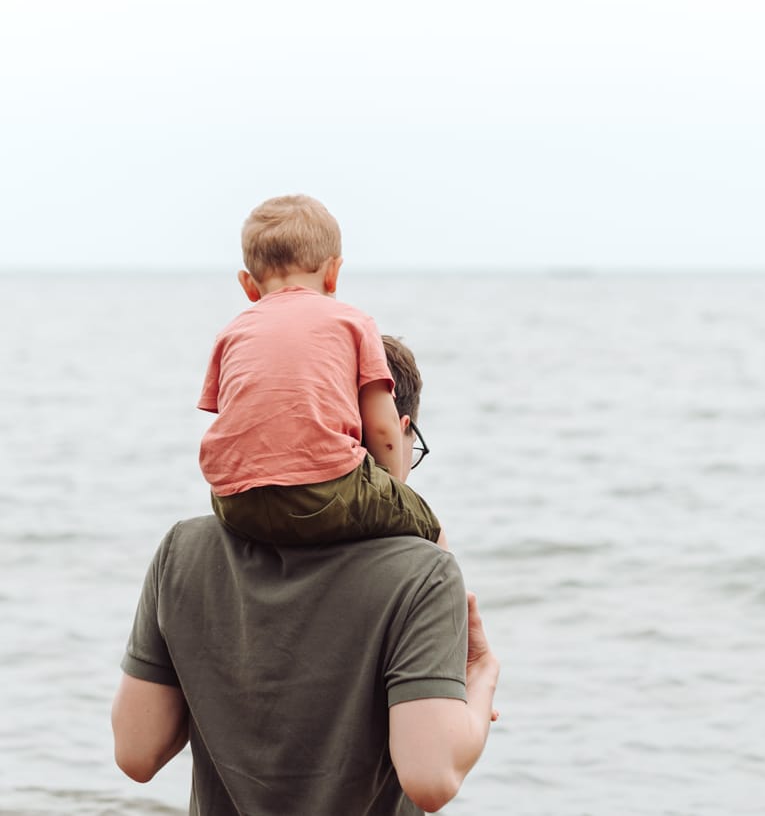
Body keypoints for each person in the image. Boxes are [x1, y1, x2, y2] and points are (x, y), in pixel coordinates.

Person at [111, 335, 500, 814]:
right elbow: (431, 777)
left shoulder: (184, 549)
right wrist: (480, 677)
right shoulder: (423, 573)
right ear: (397, 432)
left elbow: (137, 752)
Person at [198, 194, 442, 546]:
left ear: (248, 285)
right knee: (427, 526)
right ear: (333, 273)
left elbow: (240, 418)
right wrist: (390, 490)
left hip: (234, 500)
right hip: (323, 493)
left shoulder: (231, 334)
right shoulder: (353, 323)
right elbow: (383, 427)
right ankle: (464, 602)